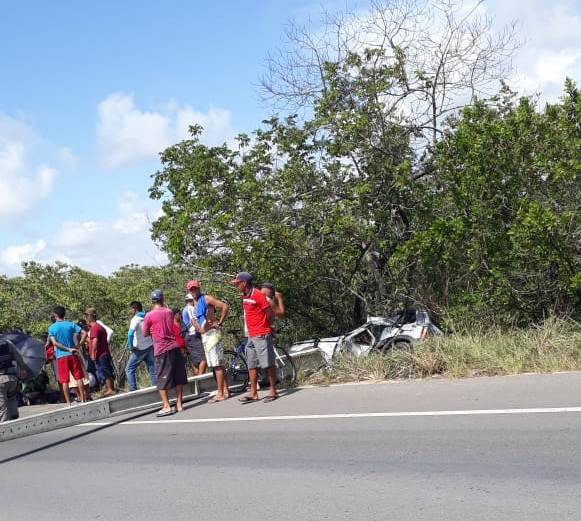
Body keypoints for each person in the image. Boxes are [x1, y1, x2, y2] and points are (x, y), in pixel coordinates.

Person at [231, 272, 278, 403]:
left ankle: (273, 390)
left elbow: (269, 313)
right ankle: (253, 393)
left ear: (244, 283)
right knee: (251, 364)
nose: (236, 286)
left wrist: (268, 327)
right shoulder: (245, 295)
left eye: (237, 284)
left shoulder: (258, 295)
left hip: (261, 333)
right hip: (250, 335)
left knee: (267, 363)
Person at [142, 290, 187, 416]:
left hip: (161, 348)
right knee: (178, 376)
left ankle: (166, 405)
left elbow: (145, 333)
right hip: (174, 346)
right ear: (162, 299)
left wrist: (153, 330)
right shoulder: (168, 312)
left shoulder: (149, 315)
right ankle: (179, 404)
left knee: (161, 378)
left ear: (152, 301)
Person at [185, 280, 230, 402]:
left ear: (199, 288)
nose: (193, 291)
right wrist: (200, 329)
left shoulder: (206, 298)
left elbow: (224, 306)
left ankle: (220, 393)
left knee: (217, 365)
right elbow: (196, 321)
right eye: (191, 289)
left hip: (212, 334)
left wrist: (220, 322)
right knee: (215, 365)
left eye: (195, 288)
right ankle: (225, 390)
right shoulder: (194, 304)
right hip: (206, 335)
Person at [48, 305, 87, 405]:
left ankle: (68, 403)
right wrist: (78, 345)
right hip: (73, 354)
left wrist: (67, 349)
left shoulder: (52, 328)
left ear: (55, 315)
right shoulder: (70, 324)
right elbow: (84, 333)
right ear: (64, 314)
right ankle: (83, 400)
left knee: (64, 380)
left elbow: (55, 343)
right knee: (78, 377)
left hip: (61, 356)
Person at [125, 301, 157, 392]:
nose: (130, 311)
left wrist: (131, 346)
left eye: (131, 309)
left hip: (139, 349)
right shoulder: (147, 316)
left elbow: (130, 334)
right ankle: (157, 389)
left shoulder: (135, 319)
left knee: (129, 369)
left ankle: (133, 391)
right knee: (152, 369)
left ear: (134, 309)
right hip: (150, 346)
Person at [84, 308, 116, 396]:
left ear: (90, 317)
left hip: (101, 354)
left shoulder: (95, 328)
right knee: (104, 371)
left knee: (105, 371)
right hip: (103, 353)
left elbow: (95, 341)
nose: (85, 318)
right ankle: (108, 388)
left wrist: (93, 353)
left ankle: (110, 389)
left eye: (86, 316)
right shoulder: (98, 327)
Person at [182, 290, 207, 375]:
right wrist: (202, 330)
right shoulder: (190, 308)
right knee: (204, 359)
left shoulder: (185, 309)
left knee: (196, 363)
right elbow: (194, 321)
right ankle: (200, 382)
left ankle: (197, 386)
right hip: (194, 336)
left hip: (189, 337)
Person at [0, 337, 20, 422]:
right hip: (12, 378)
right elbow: (17, 356)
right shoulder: (7, 342)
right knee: (12, 400)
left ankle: (5, 427)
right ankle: (15, 421)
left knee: (2, 406)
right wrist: (22, 368)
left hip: (1, 379)